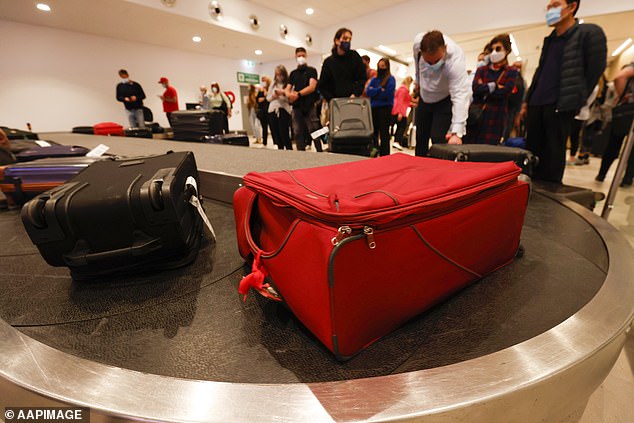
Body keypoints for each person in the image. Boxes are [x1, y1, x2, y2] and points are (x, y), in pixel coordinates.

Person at [521, 0, 607, 183]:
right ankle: (527, 191)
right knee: (532, 153)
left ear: (572, 7)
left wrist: (577, 99)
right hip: (537, 103)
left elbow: (595, 69)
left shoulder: (588, 33)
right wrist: (527, 101)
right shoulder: (551, 39)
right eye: (549, 6)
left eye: (555, 5)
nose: (550, 10)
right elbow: (541, 70)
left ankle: (548, 200)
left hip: (560, 105)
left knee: (553, 154)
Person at [412, 30, 471, 156]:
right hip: (424, 97)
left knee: (438, 140)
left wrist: (456, 132)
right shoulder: (417, 44)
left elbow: (460, 95)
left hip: (443, 100)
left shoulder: (456, 58)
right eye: (428, 62)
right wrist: (418, 83)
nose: (432, 65)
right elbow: (417, 66)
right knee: (420, 138)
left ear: (445, 48)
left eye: (436, 61)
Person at [469, 34, 519, 145]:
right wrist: (495, 86)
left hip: (496, 118)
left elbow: (504, 93)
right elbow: (476, 89)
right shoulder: (482, 70)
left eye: (498, 49)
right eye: (492, 49)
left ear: (507, 51)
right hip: (477, 115)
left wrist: (485, 88)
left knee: (489, 151)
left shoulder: (511, 72)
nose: (494, 52)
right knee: (471, 147)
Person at [596, 63, 634, 186]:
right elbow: (620, 77)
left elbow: (619, 77)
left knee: (613, 144)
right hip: (629, 111)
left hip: (624, 112)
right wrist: (623, 96)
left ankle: (602, 174)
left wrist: (621, 96)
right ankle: (627, 179)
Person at [317, 28, 367, 102]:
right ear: (337, 41)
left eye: (350, 39)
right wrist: (332, 100)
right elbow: (323, 85)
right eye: (345, 38)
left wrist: (355, 94)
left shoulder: (355, 56)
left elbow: (362, 78)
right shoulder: (328, 62)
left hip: (353, 100)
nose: (348, 41)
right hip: (335, 102)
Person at [287, 47, 322, 152]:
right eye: (298, 56)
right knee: (297, 132)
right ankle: (300, 154)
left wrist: (298, 94)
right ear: (295, 57)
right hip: (296, 107)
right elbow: (287, 89)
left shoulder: (312, 71)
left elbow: (312, 87)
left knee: (315, 130)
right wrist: (289, 95)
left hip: (309, 105)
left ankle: (320, 152)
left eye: (303, 55)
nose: (301, 58)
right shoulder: (293, 73)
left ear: (306, 56)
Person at [366, 57, 396, 156]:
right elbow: (368, 92)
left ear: (387, 67)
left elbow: (387, 94)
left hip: (385, 109)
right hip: (374, 108)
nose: (381, 68)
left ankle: (385, 154)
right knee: (374, 132)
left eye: (383, 66)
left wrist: (374, 91)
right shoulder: (375, 79)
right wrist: (379, 90)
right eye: (379, 66)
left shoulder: (391, 79)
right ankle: (374, 151)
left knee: (384, 133)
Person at [267, 65, 292, 150]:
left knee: (283, 132)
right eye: (277, 74)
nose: (279, 77)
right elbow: (268, 98)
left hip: (284, 109)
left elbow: (289, 99)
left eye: (280, 74)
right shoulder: (273, 84)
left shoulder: (288, 84)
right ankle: (280, 150)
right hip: (272, 109)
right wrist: (274, 96)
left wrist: (282, 94)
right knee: (275, 132)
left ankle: (289, 150)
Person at [392, 76, 413, 150]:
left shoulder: (402, 89)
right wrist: (400, 113)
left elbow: (405, 102)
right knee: (402, 126)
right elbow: (400, 101)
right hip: (399, 111)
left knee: (400, 126)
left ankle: (397, 142)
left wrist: (412, 104)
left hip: (399, 110)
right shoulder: (403, 90)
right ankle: (397, 142)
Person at [257, 76, 271, 146]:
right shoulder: (261, 91)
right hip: (263, 112)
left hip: (270, 111)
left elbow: (269, 98)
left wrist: (265, 97)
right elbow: (259, 100)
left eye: (264, 80)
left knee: (272, 127)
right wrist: (265, 97)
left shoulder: (270, 89)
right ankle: (264, 142)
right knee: (264, 128)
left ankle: (276, 142)